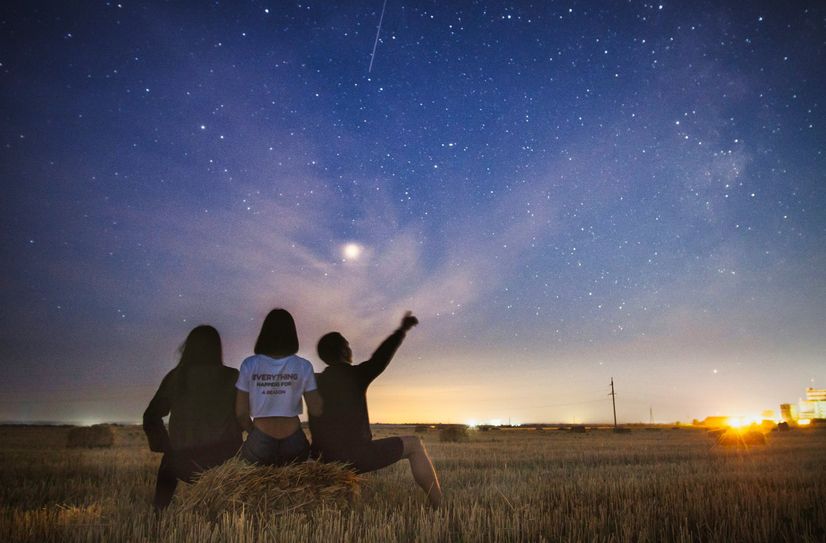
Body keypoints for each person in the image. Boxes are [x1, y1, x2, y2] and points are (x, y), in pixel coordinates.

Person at [309, 311, 442, 508]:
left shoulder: (312, 381)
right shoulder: (356, 375)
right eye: (349, 345)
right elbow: (381, 358)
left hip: (323, 458)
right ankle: (440, 506)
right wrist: (402, 330)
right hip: (356, 457)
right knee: (415, 444)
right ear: (345, 351)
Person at [143, 325, 242, 509]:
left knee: (167, 464)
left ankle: (159, 510)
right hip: (225, 461)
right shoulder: (232, 376)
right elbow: (242, 416)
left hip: (184, 463)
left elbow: (151, 416)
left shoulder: (175, 377)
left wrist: (167, 447)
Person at [235, 308, 322, 465]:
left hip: (260, 439)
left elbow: (241, 413)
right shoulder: (304, 365)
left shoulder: (249, 364)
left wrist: (254, 433)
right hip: (294, 441)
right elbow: (316, 409)